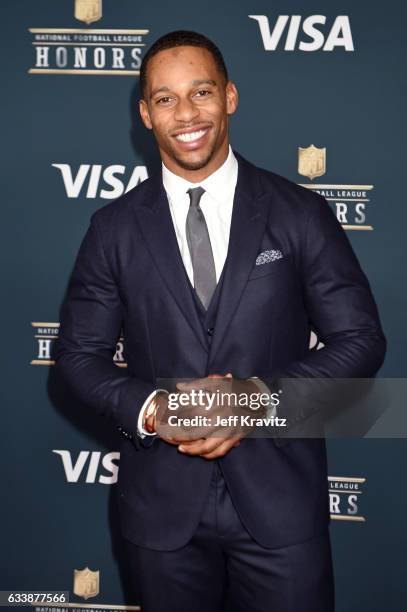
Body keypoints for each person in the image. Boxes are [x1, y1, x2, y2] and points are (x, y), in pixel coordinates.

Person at [56, 30, 386, 612]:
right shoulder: (113, 229)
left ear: (229, 97)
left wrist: (254, 401)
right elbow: (78, 360)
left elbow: (359, 340)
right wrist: (157, 411)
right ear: (145, 113)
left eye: (201, 92)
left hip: (281, 505)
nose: (186, 113)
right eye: (165, 98)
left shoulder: (299, 213)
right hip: (160, 514)